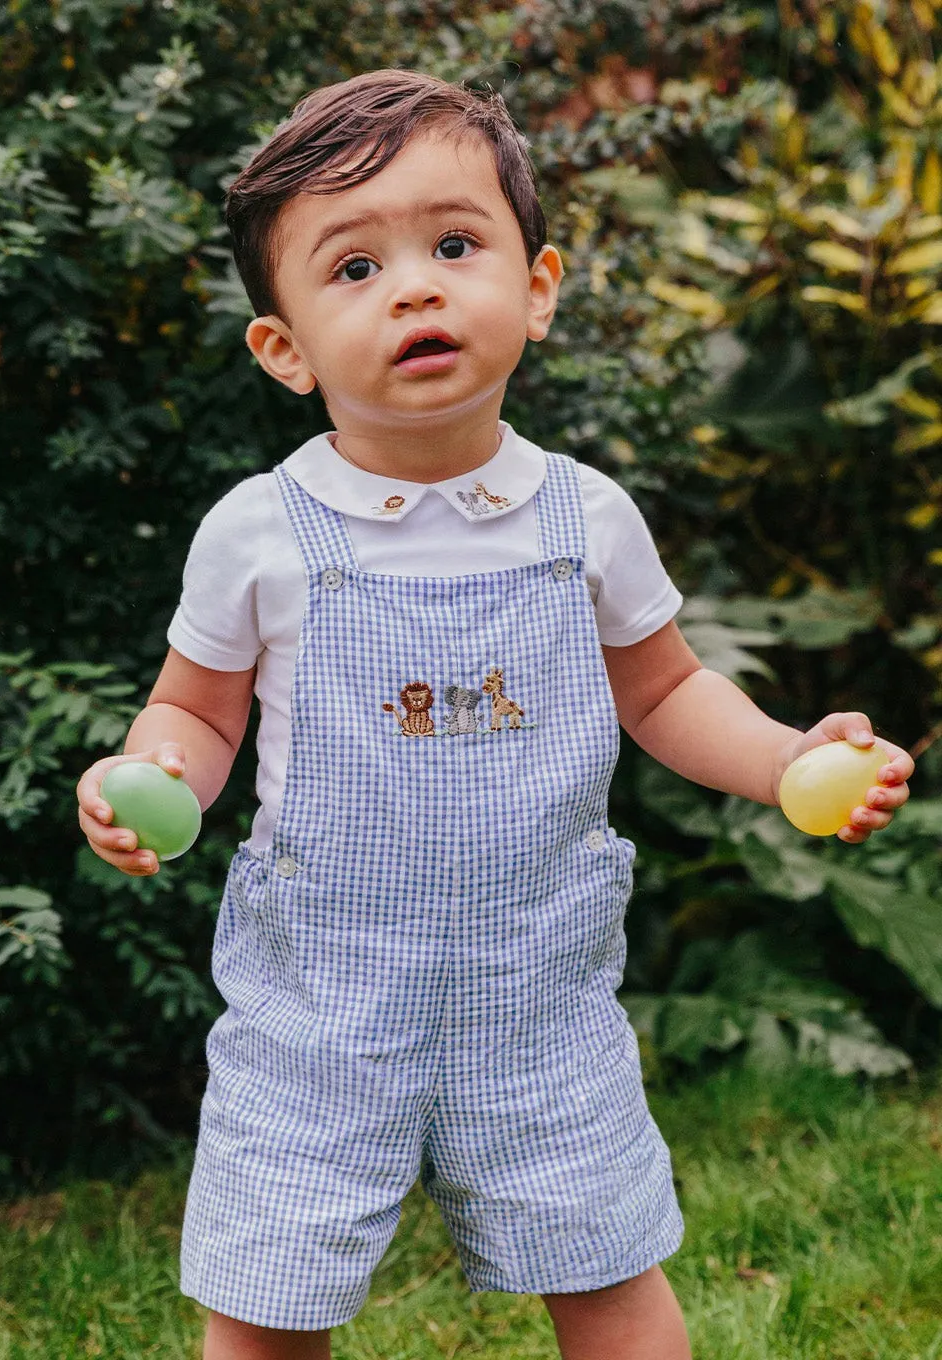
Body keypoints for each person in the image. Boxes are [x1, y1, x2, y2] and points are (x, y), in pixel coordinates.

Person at [76, 69, 914, 1360]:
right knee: (267, 1298)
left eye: (455, 245)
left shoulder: (585, 520)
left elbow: (670, 691)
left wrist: (793, 757)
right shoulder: (258, 534)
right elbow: (196, 713)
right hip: (323, 1002)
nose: (414, 286)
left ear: (536, 288)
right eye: (353, 268)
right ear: (284, 348)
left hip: (539, 990)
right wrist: (155, 775)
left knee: (609, 1271)